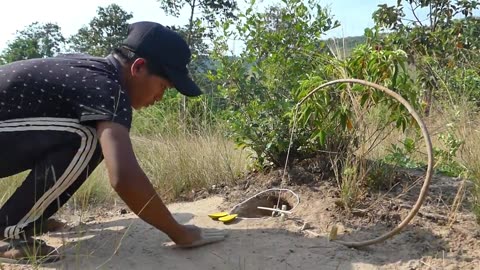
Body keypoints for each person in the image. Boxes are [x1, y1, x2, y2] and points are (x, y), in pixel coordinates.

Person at [0, 21, 226, 264]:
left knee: (84, 132)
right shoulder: (108, 88)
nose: (160, 97)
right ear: (138, 67)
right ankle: (10, 233)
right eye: (163, 86)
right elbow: (123, 177)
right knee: (87, 137)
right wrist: (180, 233)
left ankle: (26, 219)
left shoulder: (93, 71)